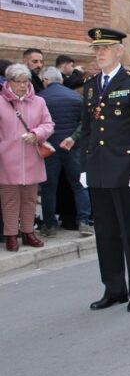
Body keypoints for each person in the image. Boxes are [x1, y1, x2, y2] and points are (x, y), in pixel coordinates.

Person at [80, 27, 130, 313]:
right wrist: (85, 166)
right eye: (96, 49)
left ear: (119, 51)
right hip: (98, 170)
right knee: (105, 233)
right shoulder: (90, 86)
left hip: (125, 170)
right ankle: (114, 288)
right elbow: (87, 130)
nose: (100, 53)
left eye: (105, 48)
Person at [0, 64, 54, 251]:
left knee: (30, 199)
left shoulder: (39, 101)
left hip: (32, 158)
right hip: (6, 160)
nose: (23, 86)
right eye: (18, 82)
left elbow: (48, 124)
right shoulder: (1, 102)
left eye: (26, 81)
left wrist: (36, 134)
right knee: (10, 200)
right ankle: (11, 235)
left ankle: (28, 232)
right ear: (9, 82)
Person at [38, 67, 92, 237]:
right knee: (79, 185)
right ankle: (84, 222)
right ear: (61, 80)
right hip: (72, 147)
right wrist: (74, 138)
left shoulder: (40, 98)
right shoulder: (75, 97)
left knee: (48, 187)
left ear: (45, 80)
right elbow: (86, 122)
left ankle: (50, 225)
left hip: (50, 148)